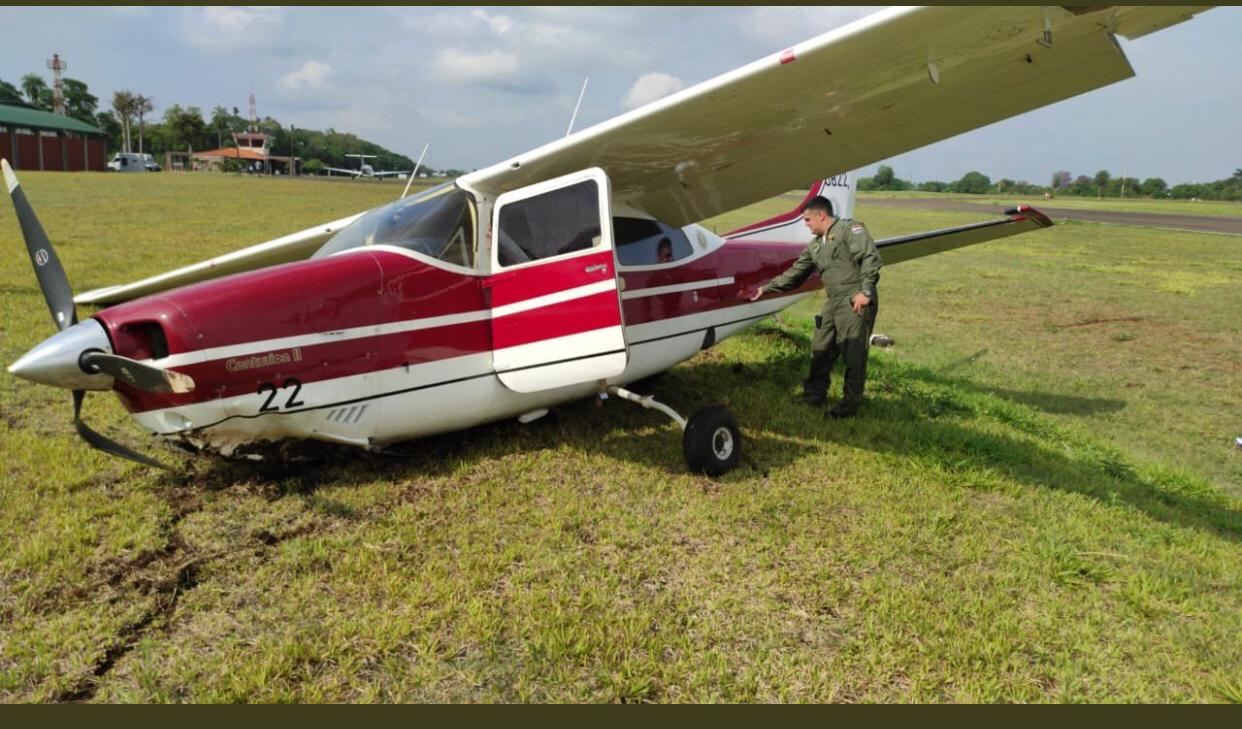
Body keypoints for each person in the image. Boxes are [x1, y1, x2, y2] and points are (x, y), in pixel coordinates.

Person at [749, 196, 882, 418]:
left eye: (808, 219)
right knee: (820, 347)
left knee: (853, 353)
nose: (806, 224)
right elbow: (795, 273)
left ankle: (849, 406)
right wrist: (767, 288)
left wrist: (865, 291)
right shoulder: (815, 246)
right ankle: (814, 395)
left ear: (822, 215)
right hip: (833, 300)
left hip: (854, 297)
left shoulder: (850, 230)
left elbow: (871, 257)